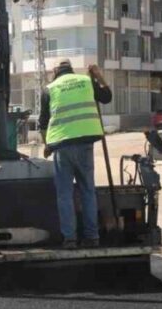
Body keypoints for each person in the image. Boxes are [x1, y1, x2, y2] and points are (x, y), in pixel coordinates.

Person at [39, 61, 112, 248]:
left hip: (62, 146)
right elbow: (107, 96)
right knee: (88, 190)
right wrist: (97, 74)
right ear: (71, 69)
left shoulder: (50, 89)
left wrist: (47, 145)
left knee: (65, 194)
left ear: (55, 72)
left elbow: (43, 122)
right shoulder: (86, 81)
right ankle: (92, 237)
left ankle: (70, 238)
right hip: (86, 143)